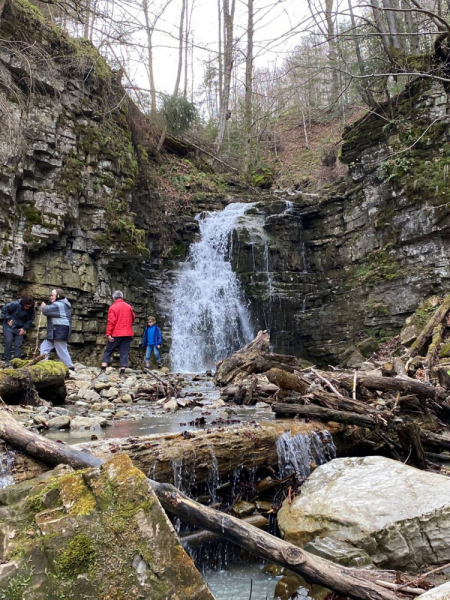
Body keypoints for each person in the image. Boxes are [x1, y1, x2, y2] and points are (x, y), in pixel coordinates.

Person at [100, 290, 135, 378]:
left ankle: (103, 369)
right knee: (124, 352)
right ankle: (122, 371)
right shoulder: (129, 307)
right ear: (122, 297)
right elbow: (133, 318)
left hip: (116, 333)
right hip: (127, 333)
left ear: (113, 298)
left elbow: (111, 321)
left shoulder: (113, 307)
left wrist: (108, 334)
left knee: (108, 350)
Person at [40, 288, 75, 370]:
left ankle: (70, 367)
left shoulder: (59, 305)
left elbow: (46, 310)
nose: (50, 297)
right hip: (55, 331)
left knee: (61, 350)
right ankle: (44, 366)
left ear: (58, 296)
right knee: (44, 347)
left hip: (60, 330)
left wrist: (43, 307)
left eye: (52, 295)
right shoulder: (61, 304)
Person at [1, 295, 35, 366]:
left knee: (18, 344)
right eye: (26, 306)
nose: (27, 308)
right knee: (8, 341)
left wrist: (24, 328)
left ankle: (16, 361)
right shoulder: (15, 304)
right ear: (23, 303)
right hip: (9, 326)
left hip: (20, 328)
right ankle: (7, 359)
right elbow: (4, 310)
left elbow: (30, 320)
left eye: (29, 306)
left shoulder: (31, 310)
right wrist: (8, 319)